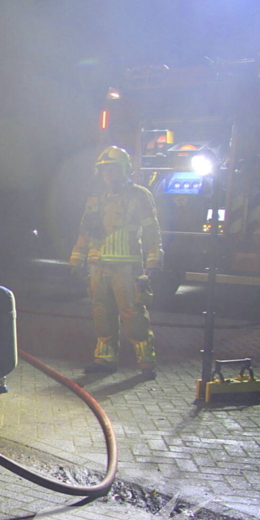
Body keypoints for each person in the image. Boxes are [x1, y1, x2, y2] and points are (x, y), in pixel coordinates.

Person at [69, 146, 163, 379]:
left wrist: (153, 262)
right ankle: (105, 360)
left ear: (125, 170)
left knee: (132, 312)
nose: (108, 175)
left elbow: (152, 231)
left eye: (112, 170)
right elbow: (85, 231)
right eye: (104, 171)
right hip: (98, 264)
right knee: (101, 311)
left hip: (127, 265)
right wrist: (76, 258)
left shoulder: (140, 195)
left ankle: (145, 361)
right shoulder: (95, 199)